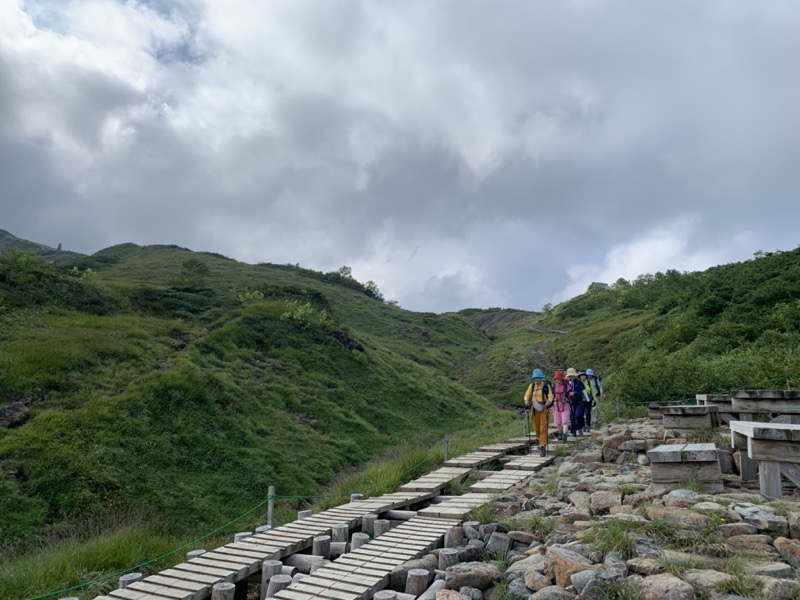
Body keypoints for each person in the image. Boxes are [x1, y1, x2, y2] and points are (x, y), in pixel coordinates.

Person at [524, 368, 553, 456]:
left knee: (542, 427)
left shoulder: (546, 386)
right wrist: (526, 401)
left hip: (544, 408)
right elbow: (527, 395)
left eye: (539, 378)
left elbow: (550, 396)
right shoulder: (532, 386)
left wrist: (549, 401)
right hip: (534, 409)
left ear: (541, 378)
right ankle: (540, 441)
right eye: (536, 378)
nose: (537, 380)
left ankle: (542, 446)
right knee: (536, 428)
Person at [566, 367, 590, 437]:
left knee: (578, 415)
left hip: (579, 401)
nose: (571, 377)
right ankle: (573, 432)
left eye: (572, 375)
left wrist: (587, 399)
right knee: (572, 417)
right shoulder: (567, 383)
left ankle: (579, 428)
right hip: (571, 402)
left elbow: (584, 391)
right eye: (570, 376)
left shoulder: (579, 382)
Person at [551, 370, 570, 442]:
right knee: (558, 421)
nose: (557, 381)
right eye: (556, 379)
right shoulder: (553, 386)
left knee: (565, 421)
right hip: (556, 406)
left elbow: (570, 395)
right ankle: (560, 434)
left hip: (565, 405)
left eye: (559, 379)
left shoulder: (567, 386)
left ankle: (565, 435)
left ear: (562, 379)